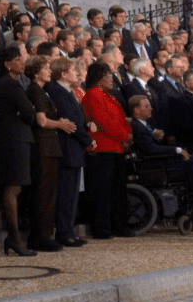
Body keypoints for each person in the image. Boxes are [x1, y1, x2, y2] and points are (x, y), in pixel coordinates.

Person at [24, 54, 75, 251]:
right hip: (43, 148)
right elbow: (42, 121)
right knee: (43, 193)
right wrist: (60, 123)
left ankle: (45, 233)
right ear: (36, 71)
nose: (49, 71)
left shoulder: (42, 91)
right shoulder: (35, 91)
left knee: (48, 193)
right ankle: (40, 236)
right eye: (45, 68)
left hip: (49, 147)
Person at [0, 45, 38, 256]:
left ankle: (14, 237)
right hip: (14, 140)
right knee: (13, 187)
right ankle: (14, 237)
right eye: (18, 59)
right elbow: (29, 112)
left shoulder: (9, 84)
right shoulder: (9, 85)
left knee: (16, 187)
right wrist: (24, 112)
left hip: (14, 139)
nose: (22, 62)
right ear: (7, 63)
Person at [81, 62, 132, 240]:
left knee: (117, 190)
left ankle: (118, 225)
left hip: (115, 147)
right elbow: (103, 122)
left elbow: (121, 119)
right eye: (108, 76)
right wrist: (123, 136)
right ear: (99, 78)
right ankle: (102, 228)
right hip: (103, 148)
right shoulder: (93, 95)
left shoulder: (109, 96)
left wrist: (127, 134)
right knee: (102, 191)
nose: (112, 79)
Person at [46, 57, 93, 247]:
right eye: (73, 70)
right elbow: (70, 120)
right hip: (67, 148)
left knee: (72, 194)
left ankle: (68, 230)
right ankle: (64, 232)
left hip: (74, 149)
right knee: (66, 194)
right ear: (64, 73)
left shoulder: (67, 92)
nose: (77, 73)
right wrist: (88, 140)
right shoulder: (58, 92)